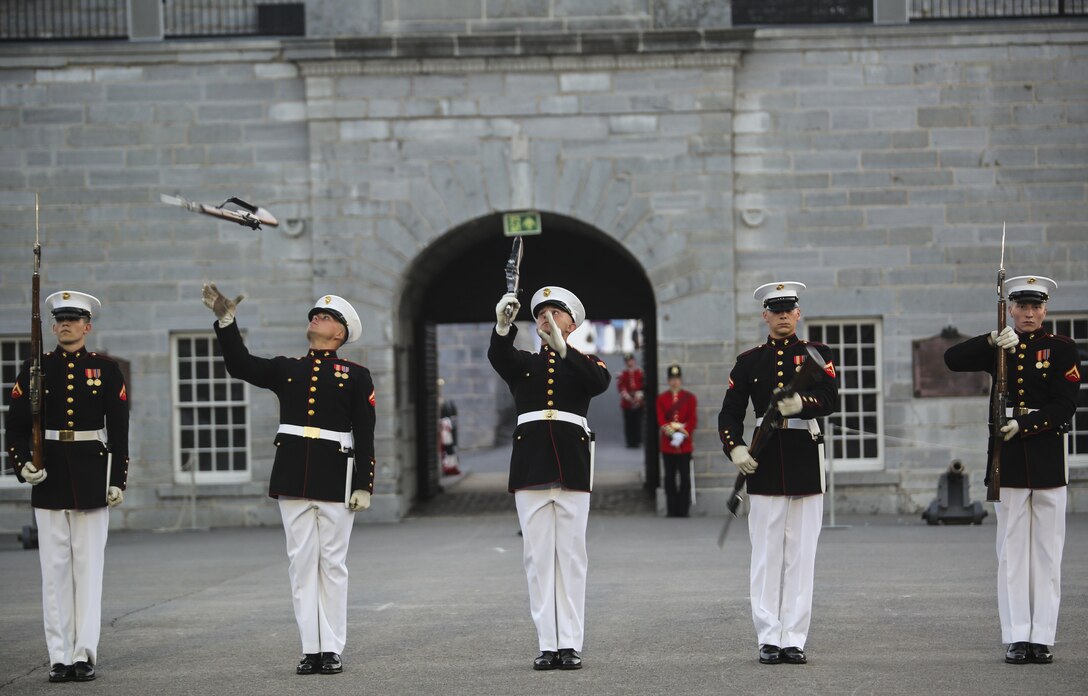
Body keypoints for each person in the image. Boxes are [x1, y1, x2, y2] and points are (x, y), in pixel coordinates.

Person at [202, 283, 376, 676]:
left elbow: (365, 432)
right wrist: (227, 322)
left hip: (336, 473)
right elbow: (242, 365)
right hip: (294, 472)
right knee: (301, 564)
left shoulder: (356, 376)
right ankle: (310, 647)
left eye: (326, 316)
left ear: (340, 333)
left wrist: (364, 483)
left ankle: (331, 647)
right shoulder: (288, 368)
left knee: (332, 564)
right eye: (315, 314)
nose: (316, 317)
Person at [944, 275, 1079, 665]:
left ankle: (1043, 636)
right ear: (1013, 310)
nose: (1029, 313)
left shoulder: (1062, 349)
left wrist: (1025, 424)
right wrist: (990, 339)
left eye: (1036, 307)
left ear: (1045, 310)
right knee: (1012, 553)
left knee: (1047, 553)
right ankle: (1017, 635)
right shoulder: (1001, 346)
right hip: (1008, 463)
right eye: (1022, 306)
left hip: (1047, 456)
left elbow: (1065, 405)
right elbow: (952, 360)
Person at [5, 291, 129, 683]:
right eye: (59, 319)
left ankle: (84, 654)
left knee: (88, 571)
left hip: (92, 473)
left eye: (73, 319)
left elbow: (120, 432)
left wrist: (117, 479)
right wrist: (22, 463)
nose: (65, 325)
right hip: (50, 473)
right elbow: (17, 426)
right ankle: (58, 656)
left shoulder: (106, 370)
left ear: (87, 326)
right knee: (54, 571)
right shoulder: (35, 369)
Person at [488, 285, 611, 671]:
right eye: (540, 312)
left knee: (571, 557)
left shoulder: (583, 363)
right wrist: (502, 325)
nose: (546, 317)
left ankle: (570, 643)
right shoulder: (524, 363)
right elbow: (499, 355)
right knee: (538, 558)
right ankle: (548, 643)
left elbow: (599, 382)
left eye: (555, 312)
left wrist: (564, 349)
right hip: (531, 466)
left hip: (572, 465)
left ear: (571, 324)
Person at [717, 281, 838, 666]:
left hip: (804, 451)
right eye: (776, 309)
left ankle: (794, 637)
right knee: (767, 554)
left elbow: (831, 400)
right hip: (764, 456)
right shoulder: (749, 361)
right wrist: (734, 446)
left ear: (798, 314)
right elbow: (730, 412)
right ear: (765, 315)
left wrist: (800, 403)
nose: (783, 315)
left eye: (790, 309)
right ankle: (769, 636)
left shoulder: (818, 354)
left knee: (801, 556)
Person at [656, 364, 697, 517]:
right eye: (672, 379)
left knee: (685, 478)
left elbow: (692, 419)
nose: (675, 382)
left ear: (680, 380)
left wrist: (682, 433)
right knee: (669, 479)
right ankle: (671, 509)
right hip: (668, 444)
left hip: (685, 445)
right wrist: (672, 433)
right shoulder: (662, 398)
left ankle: (683, 510)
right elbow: (661, 419)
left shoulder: (690, 398)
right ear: (668, 380)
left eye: (677, 379)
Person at [617, 353, 645, 448]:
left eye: (631, 360)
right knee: (629, 423)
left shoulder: (640, 372)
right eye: (628, 361)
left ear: (634, 361)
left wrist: (639, 396)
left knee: (638, 422)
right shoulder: (622, 373)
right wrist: (628, 397)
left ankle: (638, 441)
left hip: (639, 401)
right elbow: (621, 387)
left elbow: (643, 385)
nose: (630, 363)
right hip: (627, 403)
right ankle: (630, 441)